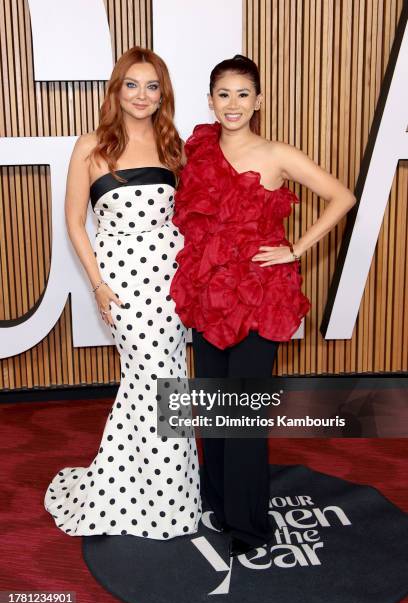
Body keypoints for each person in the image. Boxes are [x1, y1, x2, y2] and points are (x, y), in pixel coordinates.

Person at [170, 55, 356, 556]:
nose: (233, 104)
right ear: (210, 101)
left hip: (258, 297)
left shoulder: (276, 154)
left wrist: (295, 249)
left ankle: (249, 528)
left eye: (243, 94)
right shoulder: (197, 152)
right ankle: (220, 504)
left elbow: (342, 196)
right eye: (223, 95)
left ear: (259, 101)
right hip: (207, 294)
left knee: (243, 416)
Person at [44, 46, 201, 539]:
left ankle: (167, 495)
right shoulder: (90, 146)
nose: (141, 95)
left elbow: (190, 216)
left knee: (166, 379)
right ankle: (141, 494)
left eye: (151, 86)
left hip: (170, 278)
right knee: (150, 378)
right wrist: (97, 285)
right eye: (131, 84)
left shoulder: (172, 145)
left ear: (162, 95)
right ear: (116, 90)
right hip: (122, 283)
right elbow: (74, 223)